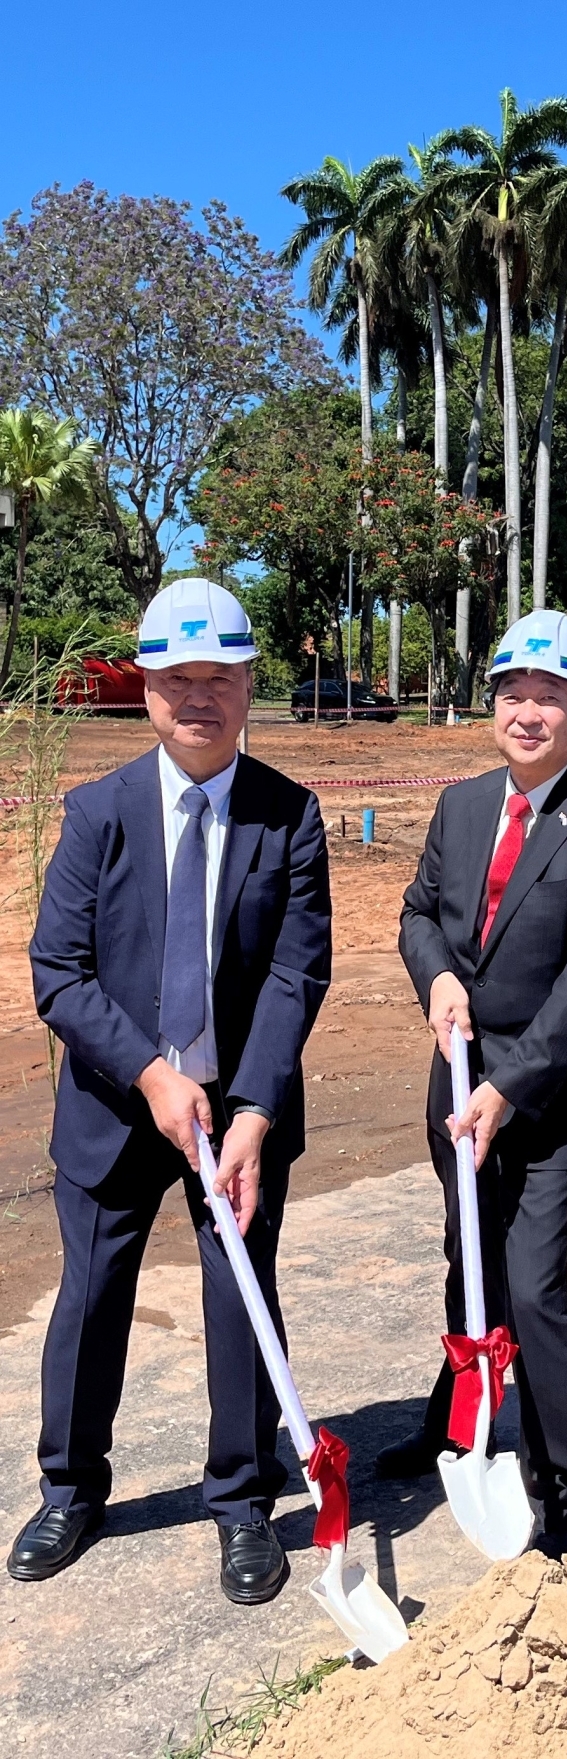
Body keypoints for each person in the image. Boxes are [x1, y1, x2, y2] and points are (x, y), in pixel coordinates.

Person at [7, 580, 331, 1605]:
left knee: (240, 1297)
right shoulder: (97, 813)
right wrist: (150, 1073)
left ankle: (243, 1499)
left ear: (249, 685)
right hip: (117, 1102)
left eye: (219, 678)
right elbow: (58, 970)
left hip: (238, 1115)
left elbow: (296, 973)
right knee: (91, 1293)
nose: (199, 696)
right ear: (146, 689)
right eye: (178, 678)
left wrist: (254, 1112)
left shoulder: (290, 814)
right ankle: (71, 1489)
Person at [380, 610, 567, 1557]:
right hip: (460, 1087)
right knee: (470, 1262)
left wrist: (509, 1088)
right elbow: (418, 915)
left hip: (550, 1098)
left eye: (550, 697)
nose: (528, 713)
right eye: (513, 694)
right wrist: (436, 977)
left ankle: (564, 1492)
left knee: (532, 1286)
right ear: (491, 704)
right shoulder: (460, 807)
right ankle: (460, 1424)